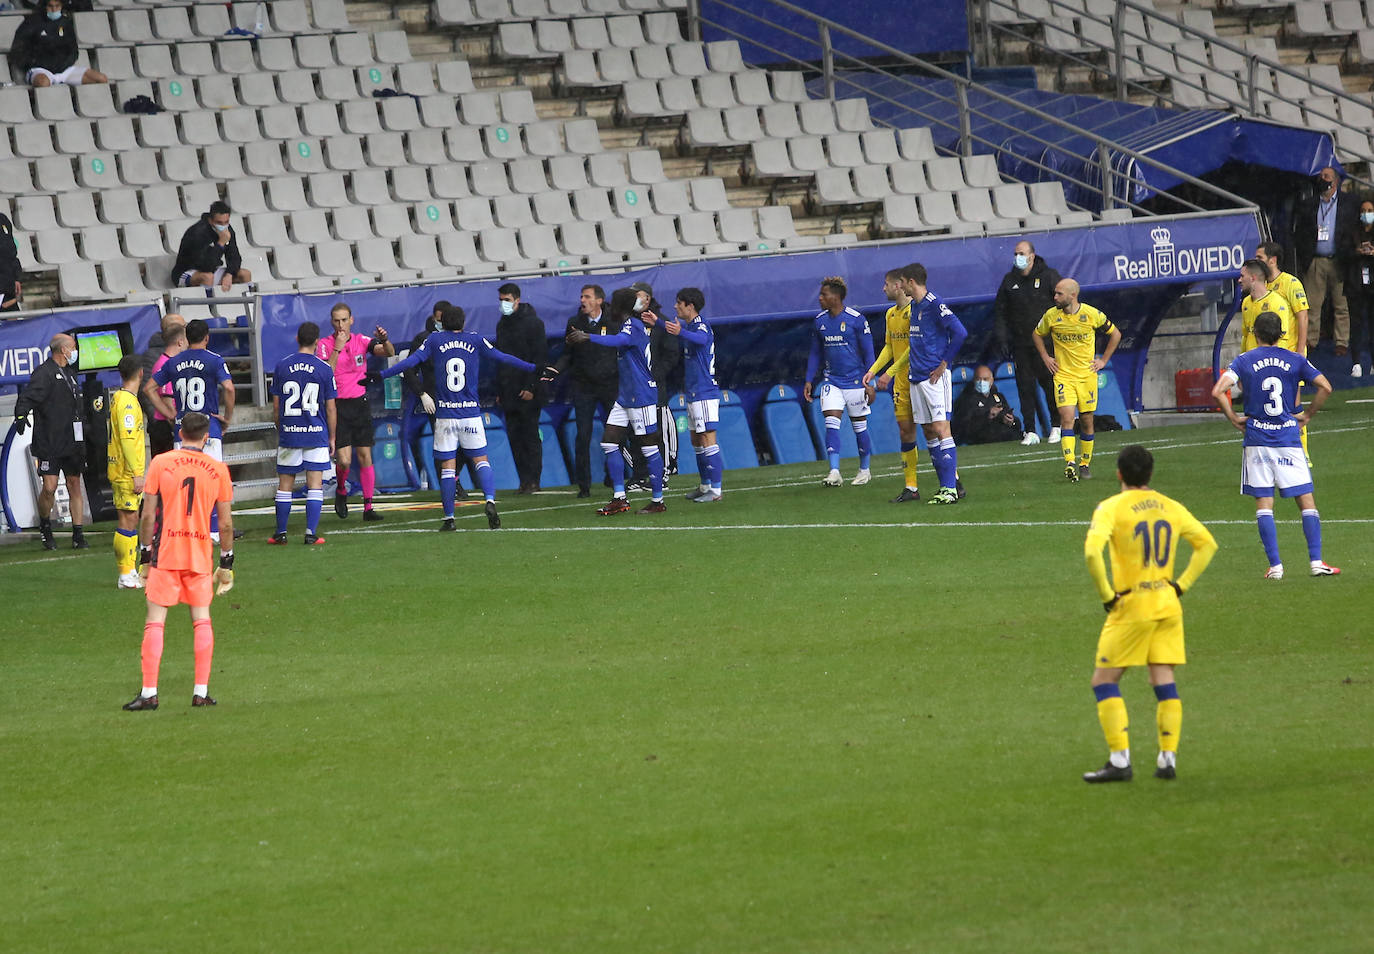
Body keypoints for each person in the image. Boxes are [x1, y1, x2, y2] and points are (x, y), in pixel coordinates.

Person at [1080, 444, 1217, 783]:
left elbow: (1092, 554)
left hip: (1131, 606)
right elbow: (1207, 544)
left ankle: (1120, 761)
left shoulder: (1111, 507)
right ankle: (1167, 758)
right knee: (1162, 678)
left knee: (1104, 681)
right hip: (1168, 605)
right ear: (1151, 474)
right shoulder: (1170, 506)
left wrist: (1108, 597)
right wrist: (1180, 586)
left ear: (1119, 474)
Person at [1211, 311, 1340, 580]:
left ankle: (1276, 567)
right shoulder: (1295, 360)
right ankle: (1316, 562)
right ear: (1281, 334)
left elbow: (1217, 391)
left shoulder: (1244, 360)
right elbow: (1325, 387)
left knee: (1264, 503)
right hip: (1287, 439)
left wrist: (1233, 417)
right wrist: (1307, 415)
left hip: (1257, 440)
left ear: (1256, 334)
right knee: (1306, 501)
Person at [381, 304, 534, 530]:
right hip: (470, 413)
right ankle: (490, 500)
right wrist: (534, 368)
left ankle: (449, 518)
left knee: (448, 468)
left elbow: (409, 363)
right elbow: (502, 357)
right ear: (463, 322)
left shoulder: (434, 341)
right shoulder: (474, 340)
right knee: (481, 460)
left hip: (445, 415)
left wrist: (381, 375)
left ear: (441, 322)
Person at [122, 412, 235, 711]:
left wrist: (144, 554)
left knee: (155, 623)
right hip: (199, 555)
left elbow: (147, 515)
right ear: (207, 438)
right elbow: (225, 524)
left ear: (180, 433)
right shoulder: (218, 470)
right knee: (201, 621)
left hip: (166, 553)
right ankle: (201, 692)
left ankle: (149, 693)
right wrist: (227, 562)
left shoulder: (160, 462)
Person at [565, 287, 667, 515]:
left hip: (641, 395)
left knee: (649, 446)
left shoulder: (632, 325)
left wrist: (588, 336)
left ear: (620, 306)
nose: (610, 307)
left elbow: (619, 341)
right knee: (609, 442)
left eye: (613, 303)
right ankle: (620, 497)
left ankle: (658, 500)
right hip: (626, 395)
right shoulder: (627, 324)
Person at [147, 318, 234, 539]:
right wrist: (227, 418)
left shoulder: (174, 361)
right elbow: (229, 389)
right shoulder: (214, 360)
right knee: (213, 480)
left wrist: (169, 414)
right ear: (206, 337)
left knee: (186, 482)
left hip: (182, 430)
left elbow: (149, 388)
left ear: (187, 338)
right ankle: (213, 529)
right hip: (208, 428)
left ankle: (190, 530)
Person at [1032, 278, 1121, 482]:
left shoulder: (1091, 314)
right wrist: (1046, 357)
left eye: (1059, 294)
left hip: (1087, 376)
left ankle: (1085, 463)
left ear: (1073, 295)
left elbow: (1115, 334)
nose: (1055, 297)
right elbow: (1036, 335)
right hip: (1064, 376)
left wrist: (1103, 360)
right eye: (1055, 293)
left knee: (1088, 421)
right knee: (1067, 418)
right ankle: (1070, 462)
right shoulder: (1051, 316)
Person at [316, 302, 394, 521]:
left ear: (351, 320)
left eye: (344, 320)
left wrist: (385, 339)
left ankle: (368, 507)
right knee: (344, 461)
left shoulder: (362, 340)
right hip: (337, 406)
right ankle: (341, 489)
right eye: (336, 321)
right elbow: (325, 372)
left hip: (360, 403)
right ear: (331, 322)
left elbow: (388, 352)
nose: (340, 325)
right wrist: (338, 348)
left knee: (365, 455)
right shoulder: (324, 345)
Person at [899, 263, 968, 505]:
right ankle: (947, 486)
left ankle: (949, 489)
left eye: (903, 282)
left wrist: (944, 364)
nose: (900, 286)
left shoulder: (934, 303)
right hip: (917, 378)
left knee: (941, 429)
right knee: (928, 431)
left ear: (911, 282)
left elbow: (960, 332)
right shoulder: (916, 305)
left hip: (934, 378)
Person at [13, 333, 88, 550]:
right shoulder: (44, 373)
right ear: (63, 350)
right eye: (73, 347)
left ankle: (78, 534)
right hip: (50, 441)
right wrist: (21, 415)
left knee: (74, 484)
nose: (75, 351)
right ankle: (45, 527)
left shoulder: (70, 373)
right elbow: (27, 397)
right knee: (49, 487)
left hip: (72, 441)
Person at [546, 284, 618, 498]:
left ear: (599, 300)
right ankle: (584, 485)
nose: (582, 301)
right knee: (583, 435)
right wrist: (556, 369)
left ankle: (611, 474)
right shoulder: (574, 323)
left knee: (616, 432)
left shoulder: (613, 321)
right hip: (583, 386)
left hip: (609, 385)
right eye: (581, 297)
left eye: (587, 297)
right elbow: (568, 354)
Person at [804, 276, 876, 487]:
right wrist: (809, 379)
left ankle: (864, 469)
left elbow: (869, 352)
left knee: (859, 428)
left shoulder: (856, 319)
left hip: (856, 381)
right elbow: (815, 353)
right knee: (831, 423)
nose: (820, 298)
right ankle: (834, 471)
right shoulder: (819, 321)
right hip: (831, 380)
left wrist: (870, 382)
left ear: (836, 297)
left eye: (824, 295)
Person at [269, 321, 337, 545]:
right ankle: (310, 533)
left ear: (297, 339)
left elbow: (276, 406)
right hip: (316, 432)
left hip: (290, 433)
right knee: (315, 483)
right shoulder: (324, 368)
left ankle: (281, 533)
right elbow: (330, 407)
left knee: (285, 484)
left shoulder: (281, 366)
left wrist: (282, 427)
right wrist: (332, 437)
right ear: (317, 342)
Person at [992, 239, 1061, 445]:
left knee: (1050, 386)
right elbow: (1000, 312)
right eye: (1015, 254)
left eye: (1021, 254)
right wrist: (1002, 337)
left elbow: (1061, 305)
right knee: (1025, 387)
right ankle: (1031, 431)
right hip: (1021, 345)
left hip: (1047, 346)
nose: (1017, 258)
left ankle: (1056, 426)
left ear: (1031, 256)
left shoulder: (1049, 276)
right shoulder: (1008, 281)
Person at [862, 269, 920, 502]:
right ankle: (911, 487)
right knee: (906, 431)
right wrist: (873, 371)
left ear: (898, 286)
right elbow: (890, 346)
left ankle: (952, 479)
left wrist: (890, 373)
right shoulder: (890, 314)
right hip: (901, 385)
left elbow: (913, 346)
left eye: (886, 284)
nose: (883, 288)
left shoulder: (915, 311)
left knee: (935, 430)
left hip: (920, 379)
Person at [663, 286, 722, 502]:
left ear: (690, 305)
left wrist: (681, 332)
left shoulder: (701, 326)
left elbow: (701, 340)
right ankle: (705, 485)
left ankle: (716, 490)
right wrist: (657, 322)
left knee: (707, 438)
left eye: (679, 303)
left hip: (705, 391)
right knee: (696, 439)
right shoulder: (689, 327)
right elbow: (678, 331)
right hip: (693, 392)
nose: (675, 306)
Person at [401, 302, 466, 499]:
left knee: (466, 442)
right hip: (435, 399)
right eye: (440, 320)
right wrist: (422, 394)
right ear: (434, 318)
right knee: (444, 443)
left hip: (458, 399)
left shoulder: (460, 337)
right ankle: (449, 486)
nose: (443, 323)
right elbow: (409, 369)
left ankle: (453, 478)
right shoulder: (424, 339)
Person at [1294, 166, 1357, 355]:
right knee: (1312, 304)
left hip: (1339, 260)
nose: (1323, 179)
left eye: (1326, 176)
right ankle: (1311, 340)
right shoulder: (1309, 204)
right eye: (1321, 176)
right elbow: (1301, 232)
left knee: (1341, 304)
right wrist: (1306, 254)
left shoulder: (1349, 203)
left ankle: (1341, 342)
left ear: (1335, 181)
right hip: (1316, 260)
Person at [494, 282, 549, 494]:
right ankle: (524, 480)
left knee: (530, 437)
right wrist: (500, 389)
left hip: (528, 391)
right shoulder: (502, 325)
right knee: (515, 438)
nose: (503, 304)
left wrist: (532, 387)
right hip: (509, 390)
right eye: (500, 300)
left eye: (506, 300)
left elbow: (540, 357)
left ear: (517, 300)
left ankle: (534, 479)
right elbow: (500, 359)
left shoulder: (534, 324)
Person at [628, 280, 682, 485]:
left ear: (648, 298)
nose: (634, 299)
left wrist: (653, 376)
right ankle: (641, 474)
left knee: (657, 430)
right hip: (632, 388)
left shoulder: (661, 323)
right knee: (635, 432)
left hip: (654, 387)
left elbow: (671, 355)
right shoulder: (628, 322)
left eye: (637, 295)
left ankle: (664, 471)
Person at [107, 356, 147, 589]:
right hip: (126, 471)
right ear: (141, 373)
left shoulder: (120, 398)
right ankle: (126, 573)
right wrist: (136, 473)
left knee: (130, 517)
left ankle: (129, 570)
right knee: (128, 518)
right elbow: (128, 439)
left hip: (122, 469)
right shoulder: (128, 403)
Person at [12, 0, 108, 88]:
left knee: (101, 79)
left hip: (64, 70)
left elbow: (73, 51)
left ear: (61, 6)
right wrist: (34, 63)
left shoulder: (66, 23)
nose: (54, 9)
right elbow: (18, 49)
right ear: (45, 6)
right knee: (43, 83)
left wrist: (64, 64)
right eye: (50, 6)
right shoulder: (31, 23)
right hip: (41, 70)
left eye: (57, 6)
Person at [171, 201, 252, 292]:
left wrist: (229, 274)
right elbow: (205, 266)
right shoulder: (197, 233)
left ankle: (250, 305)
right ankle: (210, 306)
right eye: (219, 222)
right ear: (210, 220)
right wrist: (220, 244)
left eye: (226, 222)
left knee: (244, 274)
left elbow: (235, 257)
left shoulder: (228, 230)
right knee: (207, 277)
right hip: (187, 271)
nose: (223, 226)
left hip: (212, 270)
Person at [142, 315, 186, 458]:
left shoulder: (181, 356)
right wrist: (168, 418)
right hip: (164, 426)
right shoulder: (160, 359)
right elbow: (148, 391)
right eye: (183, 327)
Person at [1255, 241, 1309, 355]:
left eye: (1260, 258)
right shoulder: (1261, 286)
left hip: (1290, 351)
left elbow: (1303, 317)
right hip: (1270, 353)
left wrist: (1300, 352)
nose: (1256, 262)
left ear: (1272, 260)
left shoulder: (1291, 283)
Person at [1341, 196, 1374, 377]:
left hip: (1372, 286)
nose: (1366, 215)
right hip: (1355, 285)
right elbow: (1343, 253)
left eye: (1369, 211)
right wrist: (1357, 251)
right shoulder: (1351, 233)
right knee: (1356, 324)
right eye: (1363, 211)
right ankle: (1356, 363)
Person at [950, 364, 1021, 446]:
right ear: (974, 380)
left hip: (1002, 433)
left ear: (992, 380)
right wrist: (988, 415)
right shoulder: (966, 399)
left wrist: (1011, 421)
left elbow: (1014, 421)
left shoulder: (998, 397)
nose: (982, 382)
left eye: (985, 379)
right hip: (980, 438)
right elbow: (962, 428)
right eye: (978, 379)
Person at [1237, 259, 1296, 353]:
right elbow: (1246, 335)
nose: (1239, 280)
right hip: (1251, 362)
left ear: (1253, 278)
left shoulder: (1277, 303)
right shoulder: (1246, 302)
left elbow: (1282, 340)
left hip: (1269, 362)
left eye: (1242, 276)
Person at [0, 210, 21, 313]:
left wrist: (16, 278)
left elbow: (11, 253)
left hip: (8, 286)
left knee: (15, 326)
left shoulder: (3, 220)